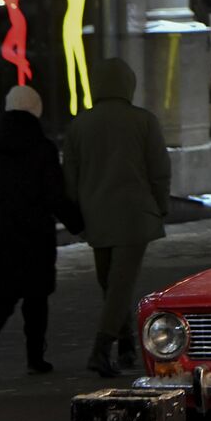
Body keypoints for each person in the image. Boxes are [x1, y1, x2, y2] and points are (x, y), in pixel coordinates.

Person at [63, 58, 171, 377]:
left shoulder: (79, 125)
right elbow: (159, 169)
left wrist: (77, 214)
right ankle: (101, 349)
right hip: (135, 215)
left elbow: (70, 175)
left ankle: (124, 345)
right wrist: (160, 205)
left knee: (110, 283)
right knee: (120, 285)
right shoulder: (143, 121)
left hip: (96, 216)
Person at [0, 86, 82, 379]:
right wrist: (77, 222)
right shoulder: (43, 148)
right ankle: (35, 358)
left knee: (2, 297)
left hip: (1, 233)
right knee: (36, 299)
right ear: (36, 109)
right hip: (36, 235)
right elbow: (54, 195)